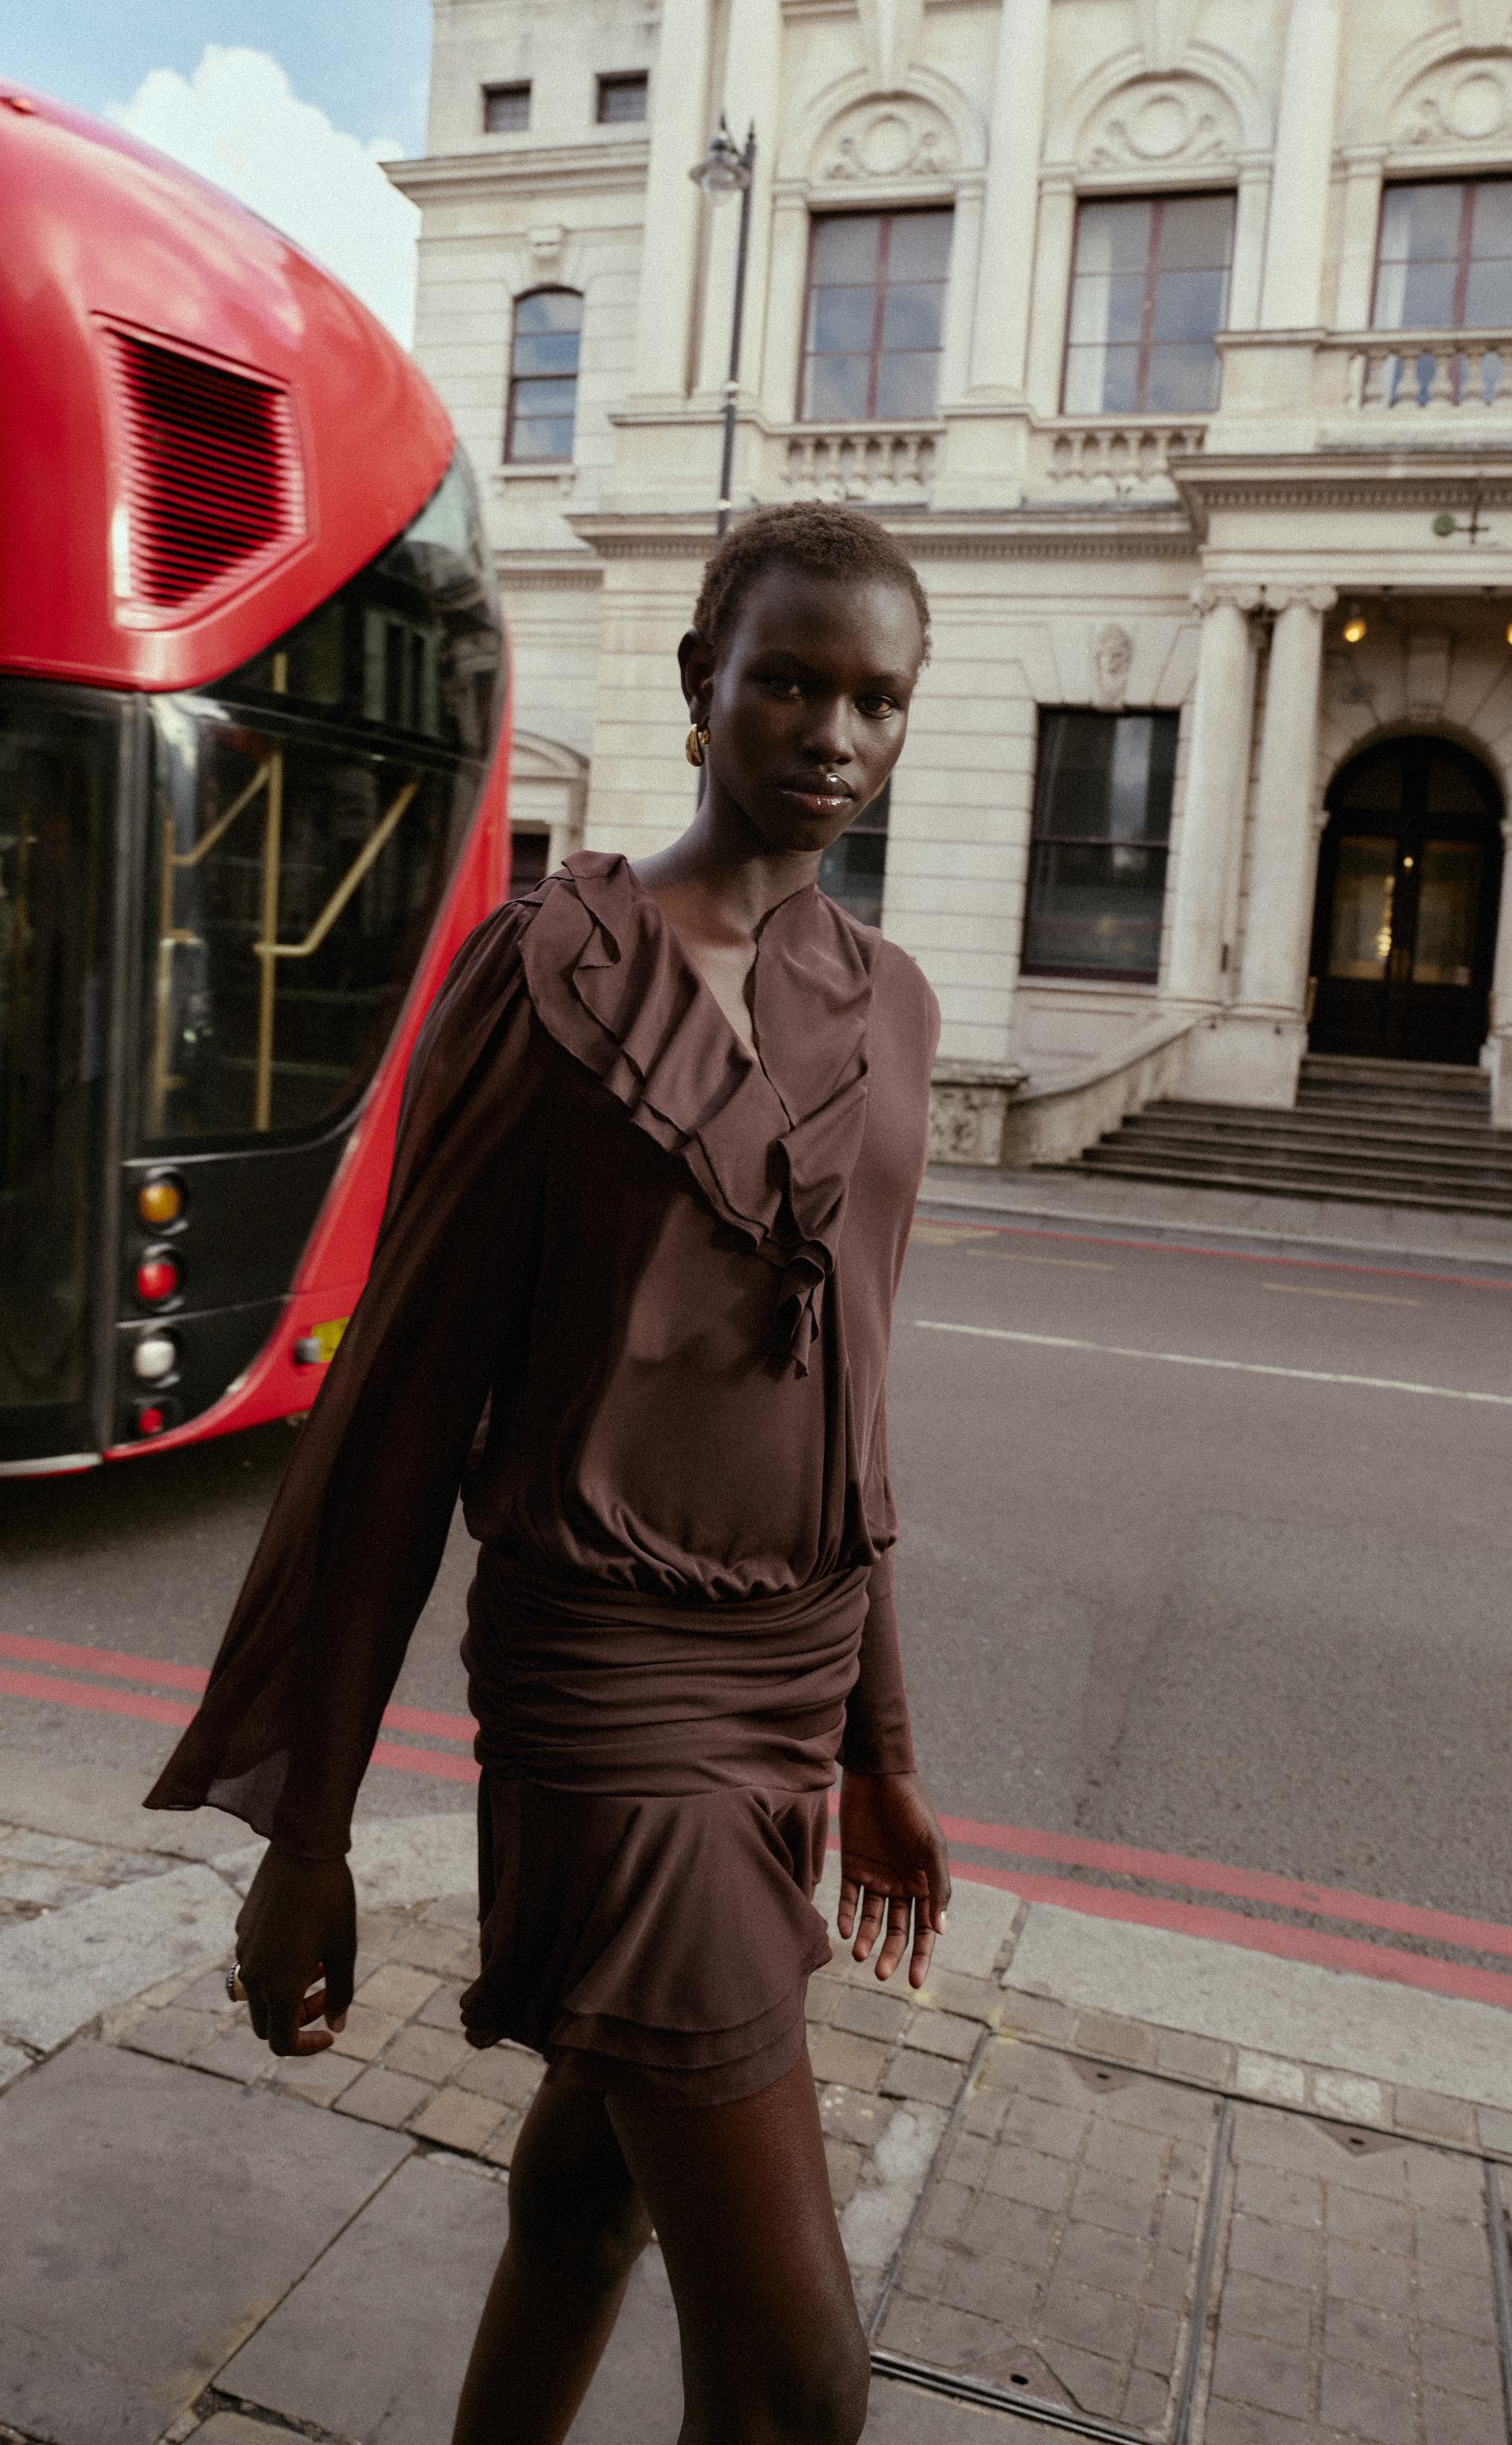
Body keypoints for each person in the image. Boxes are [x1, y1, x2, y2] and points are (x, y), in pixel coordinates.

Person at [146, 498, 950, 2444]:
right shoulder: (548, 977)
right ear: (699, 690)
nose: (831, 733)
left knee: (592, 2195)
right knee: (803, 2388)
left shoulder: (892, 1001)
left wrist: (880, 1747)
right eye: (787, 680)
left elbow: (846, 1412)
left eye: (876, 699)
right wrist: (309, 1829)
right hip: (608, 1694)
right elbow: (403, 1406)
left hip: (788, 1685)